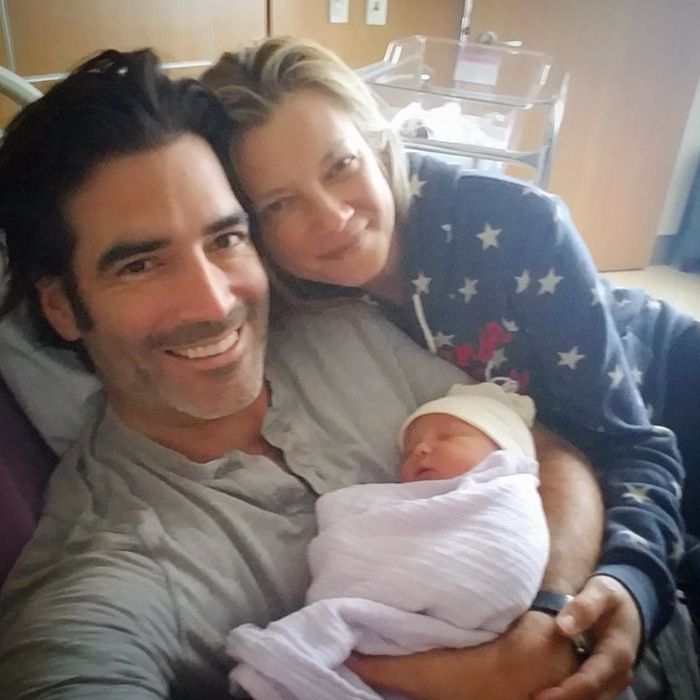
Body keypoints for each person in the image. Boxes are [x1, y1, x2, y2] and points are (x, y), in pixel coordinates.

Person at [0, 48, 613, 700]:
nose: (214, 303)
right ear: (61, 306)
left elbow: (545, 451)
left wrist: (552, 621)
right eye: (140, 265)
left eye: (225, 239)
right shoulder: (111, 560)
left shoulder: (340, 332)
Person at [201, 35, 700, 694]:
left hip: (665, 381)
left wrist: (630, 585)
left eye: (341, 165)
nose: (333, 217)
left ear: (378, 143)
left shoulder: (515, 228)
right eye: (279, 204)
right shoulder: (288, 307)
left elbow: (631, 445)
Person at [227, 381, 550, 700]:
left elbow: (502, 564)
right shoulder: (407, 505)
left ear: (503, 453)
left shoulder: (507, 494)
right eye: (409, 451)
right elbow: (356, 539)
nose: (421, 449)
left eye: (447, 437)